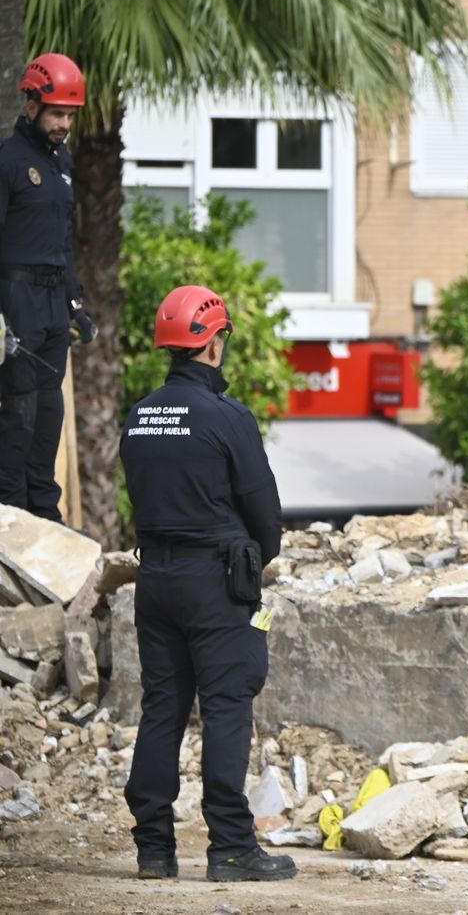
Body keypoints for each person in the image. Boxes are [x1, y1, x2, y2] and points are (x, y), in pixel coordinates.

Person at [120, 285, 296, 882]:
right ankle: (229, 848)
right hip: (217, 581)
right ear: (214, 343)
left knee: (162, 708)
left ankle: (154, 848)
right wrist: (254, 560)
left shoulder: (141, 414)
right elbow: (265, 514)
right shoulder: (227, 417)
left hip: (156, 579)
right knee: (225, 707)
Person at [0, 53, 98, 520]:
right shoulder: (9, 161)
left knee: (47, 417)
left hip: (53, 305)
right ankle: (11, 523)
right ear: (33, 105)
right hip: (16, 302)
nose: (64, 124)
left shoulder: (62, 162)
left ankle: (46, 520)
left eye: (70, 116)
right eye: (57, 113)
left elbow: (62, 242)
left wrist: (77, 305)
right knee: (17, 418)